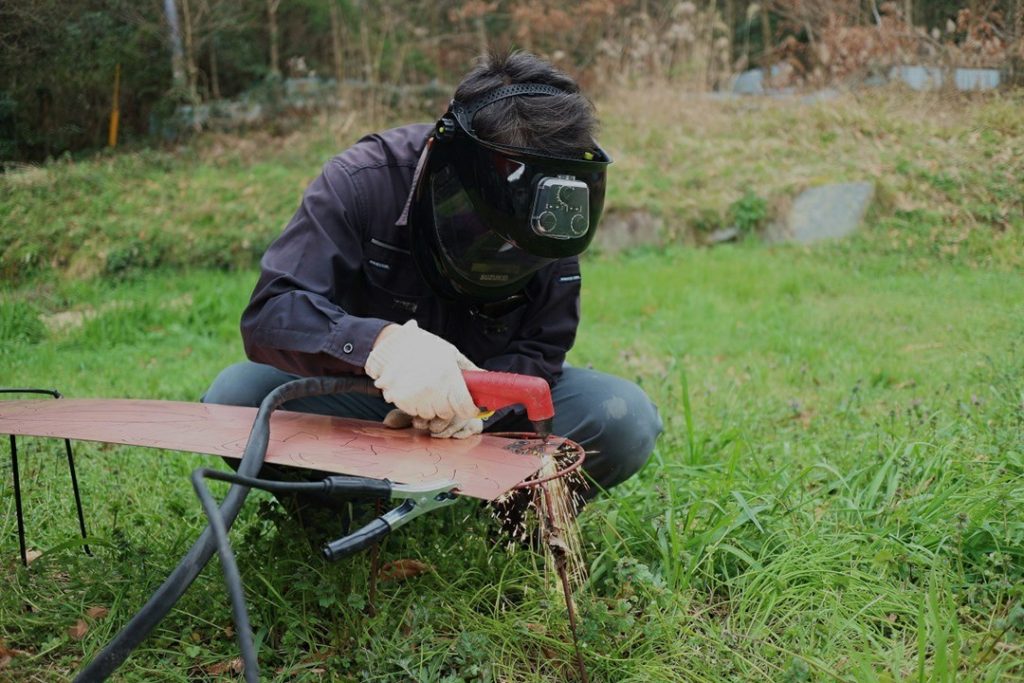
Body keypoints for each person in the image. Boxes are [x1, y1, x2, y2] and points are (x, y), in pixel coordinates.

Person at [202, 50, 662, 505]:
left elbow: (541, 348)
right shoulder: (362, 181)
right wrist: (382, 346)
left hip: (480, 415)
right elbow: (273, 311)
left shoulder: (554, 212)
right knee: (235, 399)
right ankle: (338, 506)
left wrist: (479, 406)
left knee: (623, 417)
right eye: (493, 232)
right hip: (363, 400)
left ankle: (509, 516)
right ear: (445, 161)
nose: (508, 252)